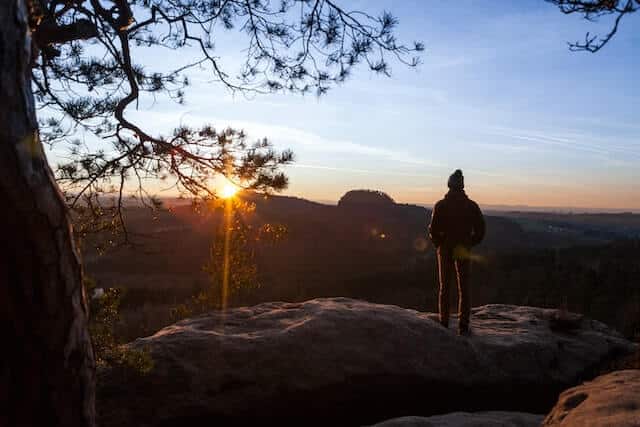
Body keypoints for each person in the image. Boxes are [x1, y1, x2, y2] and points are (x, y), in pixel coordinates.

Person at [428, 169, 485, 335]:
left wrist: (439, 244)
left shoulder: (441, 205)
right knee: (464, 288)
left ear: (449, 185)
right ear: (462, 186)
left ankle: (444, 323)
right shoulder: (471, 206)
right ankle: (463, 326)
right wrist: (470, 243)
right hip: (463, 249)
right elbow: (481, 229)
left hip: (445, 248)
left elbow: (433, 230)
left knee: (445, 287)